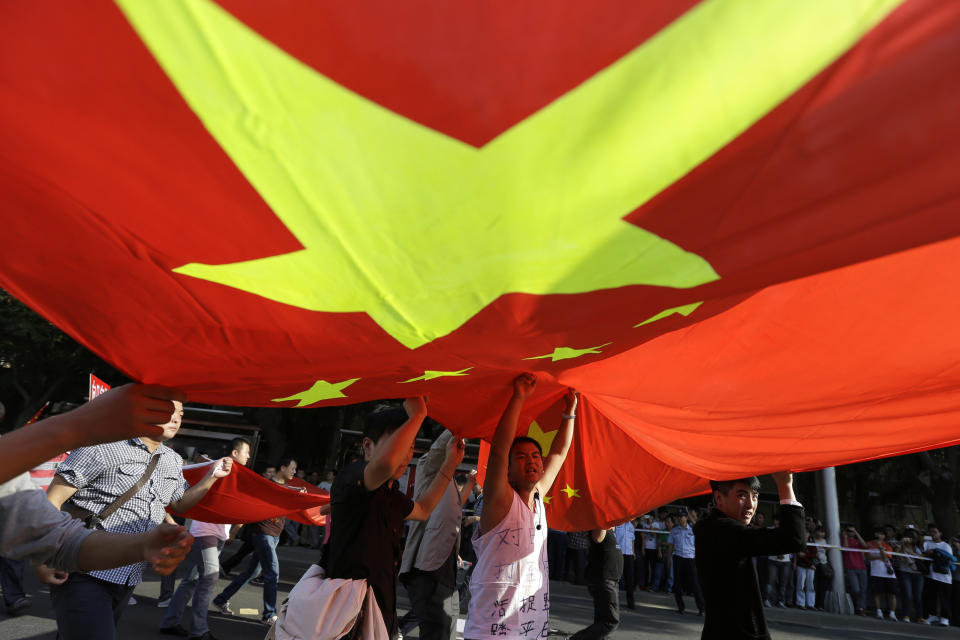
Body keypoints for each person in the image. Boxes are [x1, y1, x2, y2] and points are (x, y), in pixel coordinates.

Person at [44, 391, 232, 640]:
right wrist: (44, 556)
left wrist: (212, 477)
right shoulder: (103, 447)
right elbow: (51, 501)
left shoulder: (172, 461)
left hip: (128, 576)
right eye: (169, 412)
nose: (176, 419)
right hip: (83, 570)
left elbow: (179, 504)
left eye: (181, 415)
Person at [318, 398, 465, 638]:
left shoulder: (391, 494)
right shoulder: (352, 475)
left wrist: (449, 465)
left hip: (379, 611)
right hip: (343, 618)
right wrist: (418, 415)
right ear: (367, 447)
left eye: (410, 446)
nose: (406, 455)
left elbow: (424, 509)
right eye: (398, 443)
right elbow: (385, 464)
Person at [463, 374, 576, 640]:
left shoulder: (538, 496)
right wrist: (518, 398)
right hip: (490, 632)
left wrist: (569, 414)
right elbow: (499, 452)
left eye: (536, 456)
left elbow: (559, 453)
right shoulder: (500, 501)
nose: (532, 461)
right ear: (508, 471)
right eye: (522, 457)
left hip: (531, 629)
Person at [159, 437, 252, 639]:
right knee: (209, 578)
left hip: (215, 534)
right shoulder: (219, 467)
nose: (249, 456)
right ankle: (199, 630)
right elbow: (201, 468)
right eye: (247, 452)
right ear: (235, 453)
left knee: (191, 581)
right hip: (205, 533)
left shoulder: (235, 474)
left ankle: (169, 622)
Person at [694, 473, 805, 640]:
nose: (750, 504)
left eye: (755, 496)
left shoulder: (713, 527)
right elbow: (793, 539)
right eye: (742, 495)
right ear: (719, 497)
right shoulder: (723, 530)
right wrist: (785, 485)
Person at [399, 430, 477, 640]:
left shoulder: (448, 480)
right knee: (437, 630)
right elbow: (436, 451)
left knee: (447, 630)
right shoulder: (428, 467)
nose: (460, 448)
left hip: (446, 569)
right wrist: (458, 428)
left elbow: (450, 518)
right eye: (456, 444)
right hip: (428, 569)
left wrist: (469, 484)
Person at [212, 457, 300, 625]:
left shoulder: (286, 488)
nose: (294, 472)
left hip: (274, 535)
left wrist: (298, 494)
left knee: (252, 572)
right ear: (282, 467)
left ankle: (221, 599)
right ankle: (269, 614)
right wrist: (235, 530)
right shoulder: (266, 485)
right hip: (263, 533)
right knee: (273, 573)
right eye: (292, 468)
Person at [570, 529, 621, 640]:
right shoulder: (601, 526)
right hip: (604, 580)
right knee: (610, 622)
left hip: (608, 580)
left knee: (601, 621)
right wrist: (605, 520)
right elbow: (598, 538)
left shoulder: (609, 529)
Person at [667, 509, 703, 615]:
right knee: (677, 585)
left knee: (695, 585)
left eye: (682, 516)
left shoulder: (693, 529)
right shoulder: (674, 530)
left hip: (690, 559)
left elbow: (699, 530)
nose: (680, 518)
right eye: (678, 516)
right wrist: (669, 559)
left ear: (686, 518)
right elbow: (670, 546)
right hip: (678, 558)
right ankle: (681, 607)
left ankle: (701, 608)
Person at [923, 524, 953, 626]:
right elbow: (923, 555)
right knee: (930, 596)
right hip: (930, 575)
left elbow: (947, 560)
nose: (932, 534)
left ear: (940, 533)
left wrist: (934, 553)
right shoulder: (927, 543)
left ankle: (945, 618)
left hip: (943, 577)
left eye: (935, 532)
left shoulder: (946, 546)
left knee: (944, 598)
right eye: (930, 532)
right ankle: (932, 615)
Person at [867, 526, 898, 621]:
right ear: (876, 534)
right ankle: (879, 611)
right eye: (879, 533)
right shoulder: (870, 544)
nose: (881, 536)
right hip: (876, 572)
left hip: (888, 572)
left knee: (892, 594)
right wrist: (879, 555)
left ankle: (892, 613)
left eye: (883, 534)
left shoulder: (887, 545)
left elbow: (886, 557)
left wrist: (880, 549)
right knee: (877, 593)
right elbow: (868, 557)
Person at [897, 529, 924, 623]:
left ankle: (920, 616)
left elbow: (922, 557)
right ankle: (906, 615)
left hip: (918, 574)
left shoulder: (918, 547)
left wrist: (910, 552)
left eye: (912, 538)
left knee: (918, 596)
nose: (910, 540)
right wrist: (901, 544)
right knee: (907, 594)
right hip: (905, 572)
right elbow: (896, 554)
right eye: (908, 538)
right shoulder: (901, 545)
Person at [841, 525, 868, 615]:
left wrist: (856, 532)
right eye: (849, 531)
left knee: (863, 589)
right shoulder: (843, 540)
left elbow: (865, 546)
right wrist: (845, 537)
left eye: (852, 531)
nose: (850, 532)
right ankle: (857, 605)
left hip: (862, 567)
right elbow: (845, 550)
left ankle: (861, 608)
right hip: (850, 567)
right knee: (856, 589)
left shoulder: (857, 541)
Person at [613, 520, 636, 609]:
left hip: (629, 554)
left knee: (630, 579)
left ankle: (631, 603)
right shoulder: (617, 524)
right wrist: (616, 550)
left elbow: (632, 540)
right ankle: (613, 601)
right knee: (616, 578)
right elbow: (614, 539)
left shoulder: (631, 525)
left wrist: (633, 552)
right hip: (619, 553)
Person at [793, 531, 817, 610]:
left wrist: (807, 557)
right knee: (800, 585)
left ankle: (811, 603)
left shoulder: (812, 543)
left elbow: (814, 554)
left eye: (807, 533)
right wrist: (809, 562)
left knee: (810, 585)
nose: (805, 535)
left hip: (811, 566)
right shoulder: (799, 543)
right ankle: (800, 603)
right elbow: (799, 555)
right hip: (802, 565)